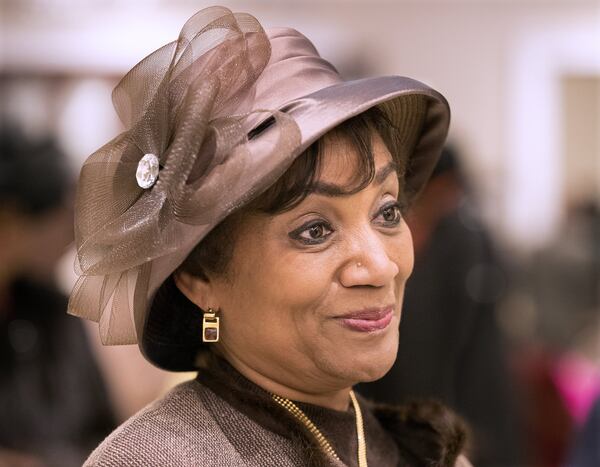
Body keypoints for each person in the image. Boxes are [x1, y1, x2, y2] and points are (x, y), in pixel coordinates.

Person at [69, 6, 471, 466]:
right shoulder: (157, 459)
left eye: (387, 211)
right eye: (315, 230)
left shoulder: (426, 454)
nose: (381, 266)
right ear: (199, 276)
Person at [359, 147, 523, 466]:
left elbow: (476, 347)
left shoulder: (467, 241)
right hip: (396, 407)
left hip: (463, 404)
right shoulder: (391, 241)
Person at [0, 125, 116, 467]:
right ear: (10, 222)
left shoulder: (50, 311)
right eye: (63, 220)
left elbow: (105, 429)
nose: (71, 239)